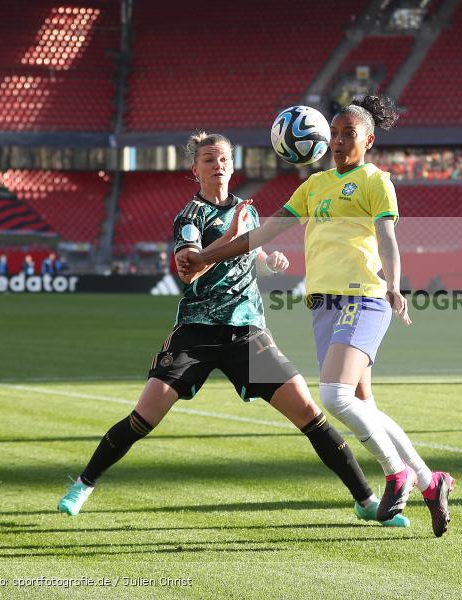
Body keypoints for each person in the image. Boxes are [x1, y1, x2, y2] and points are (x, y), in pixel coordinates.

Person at [58, 132, 406, 528]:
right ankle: (83, 484)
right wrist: (230, 236)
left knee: (310, 413)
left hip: (247, 332)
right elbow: (190, 269)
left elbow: (249, 253)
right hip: (197, 331)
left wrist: (268, 261)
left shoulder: (248, 212)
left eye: (223, 158)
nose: (217, 164)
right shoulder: (191, 216)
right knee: (145, 416)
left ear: (232, 166)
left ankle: (365, 499)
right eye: (208, 159)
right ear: (196, 170)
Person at [178, 98, 455, 538]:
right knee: (364, 406)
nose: (341, 141)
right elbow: (261, 234)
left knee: (334, 397)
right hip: (324, 307)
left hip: (362, 300)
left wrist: (395, 285)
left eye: (350, 134)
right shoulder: (314, 186)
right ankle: (431, 481)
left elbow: (388, 238)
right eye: (337, 134)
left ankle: (395, 474)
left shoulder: (375, 181)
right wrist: (204, 258)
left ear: (369, 140)